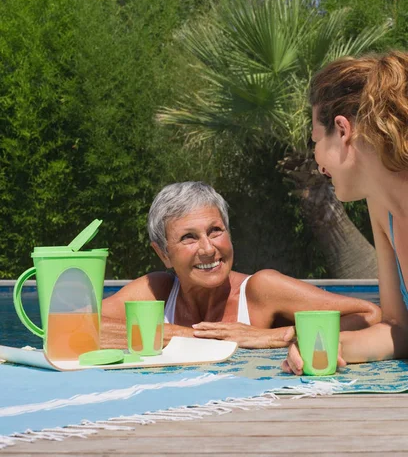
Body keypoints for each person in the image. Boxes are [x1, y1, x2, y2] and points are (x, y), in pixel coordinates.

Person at [101, 181, 380, 349]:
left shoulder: (260, 289)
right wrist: (189, 336)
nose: (208, 249)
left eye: (215, 231)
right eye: (189, 237)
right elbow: (68, 325)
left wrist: (273, 337)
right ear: (163, 254)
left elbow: (370, 315)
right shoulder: (157, 291)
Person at [284, 49, 408, 374]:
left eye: (315, 140)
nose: (317, 161)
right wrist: (335, 345)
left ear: (342, 130)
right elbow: (399, 328)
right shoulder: (383, 209)